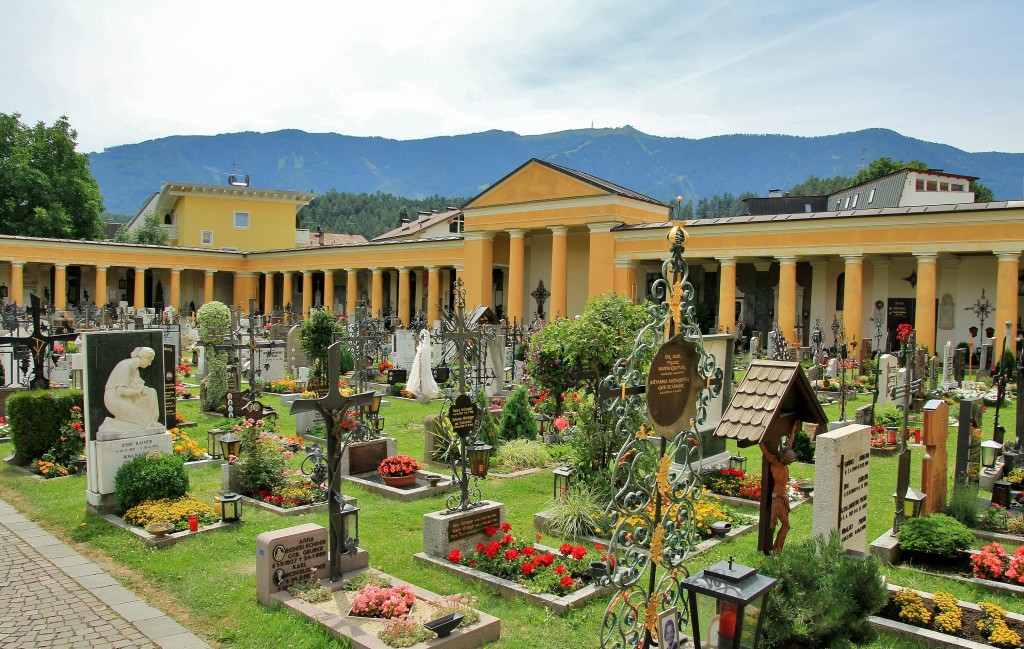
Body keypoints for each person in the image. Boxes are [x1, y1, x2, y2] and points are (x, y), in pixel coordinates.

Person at [99, 346, 159, 432]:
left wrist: (143, 389)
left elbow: (136, 386)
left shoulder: (135, 369)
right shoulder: (126, 367)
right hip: (115, 399)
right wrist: (138, 391)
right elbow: (121, 392)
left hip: (128, 398)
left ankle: (153, 421)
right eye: (150, 360)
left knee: (152, 392)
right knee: (143, 423)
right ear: (142, 357)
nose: (150, 364)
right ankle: (110, 424)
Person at [760, 423, 798, 553]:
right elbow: (765, 451)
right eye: (788, 461)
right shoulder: (775, 462)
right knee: (783, 525)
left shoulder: (784, 463)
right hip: (777, 499)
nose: (789, 463)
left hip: (783, 497)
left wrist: (792, 430)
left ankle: (777, 547)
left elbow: (789, 445)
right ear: (783, 459)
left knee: (786, 525)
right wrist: (760, 439)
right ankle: (776, 549)